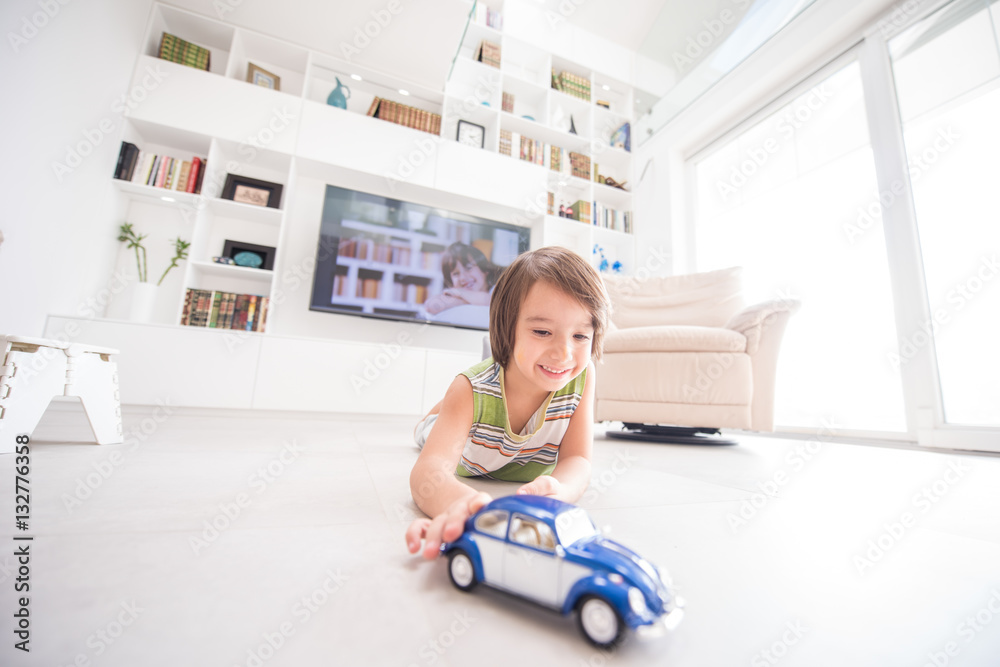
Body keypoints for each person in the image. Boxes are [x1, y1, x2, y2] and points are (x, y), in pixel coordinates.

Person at [405, 246, 611, 560]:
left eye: (580, 336)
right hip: (471, 440)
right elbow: (427, 473)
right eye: (542, 331)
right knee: (431, 426)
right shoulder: (469, 390)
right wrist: (465, 504)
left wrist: (560, 491)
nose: (564, 353)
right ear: (506, 326)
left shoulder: (581, 377)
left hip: (506, 441)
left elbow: (578, 459)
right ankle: (439, 410)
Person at [423, 242, 500, 315]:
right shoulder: (457, 295)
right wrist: (464, 298)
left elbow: (494, 302)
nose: (463, 278)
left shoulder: (496, 289)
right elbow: (431, 306)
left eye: (468, 268)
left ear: (485, 270)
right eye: (455, 274)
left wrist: (461, 293)